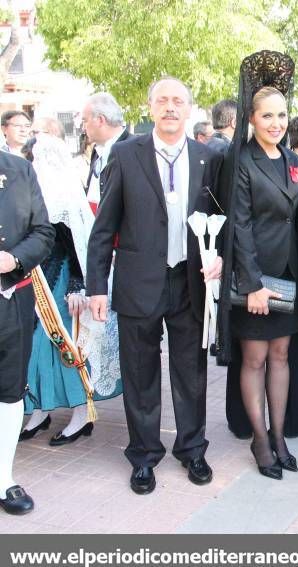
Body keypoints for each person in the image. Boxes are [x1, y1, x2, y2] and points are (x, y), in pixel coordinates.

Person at [86, 77, 224, 495]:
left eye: (178, 101)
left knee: (191, 371)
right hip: (138, 282)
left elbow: (223, 220)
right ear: (149, 108)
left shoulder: (207, 158)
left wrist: (220, 257)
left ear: (189, 109)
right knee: (140, 372)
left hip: (190, 282)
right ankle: (144, 455)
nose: (170, 107)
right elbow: (103, 226)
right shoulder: (126, 155)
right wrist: (97, 286)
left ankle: (192, 449)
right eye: (162, 101)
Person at [218, 51, 298, 480]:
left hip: (288, 275)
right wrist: (250, 283)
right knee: (253, 360)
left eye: (282, 114)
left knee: (282, 355)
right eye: (267, 115)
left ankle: (280, 434)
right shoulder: (241, 159)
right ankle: (260, 438)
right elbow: (240, 226)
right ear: (251, 118)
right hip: (254, 277)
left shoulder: (290, 160)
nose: (276, 122)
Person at [18, 134, 123, 445]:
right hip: (33, 281)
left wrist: (79, 287)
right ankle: (39, 409)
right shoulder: (31, 192)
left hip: (62, 285)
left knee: (66, 348)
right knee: (33, 352)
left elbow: (79, 245)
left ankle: (81, 414)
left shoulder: (61, 196)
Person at [0, 149, 55, 515]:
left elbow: (43, 233)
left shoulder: (19, 169)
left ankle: (3, 477)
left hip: (10, 301)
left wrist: (15, 258)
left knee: (8, 389)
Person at [81, 92, 133, 208]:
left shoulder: (134, 151)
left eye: (85, 121)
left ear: (100, 120)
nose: (83, 128)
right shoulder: (97, 151)